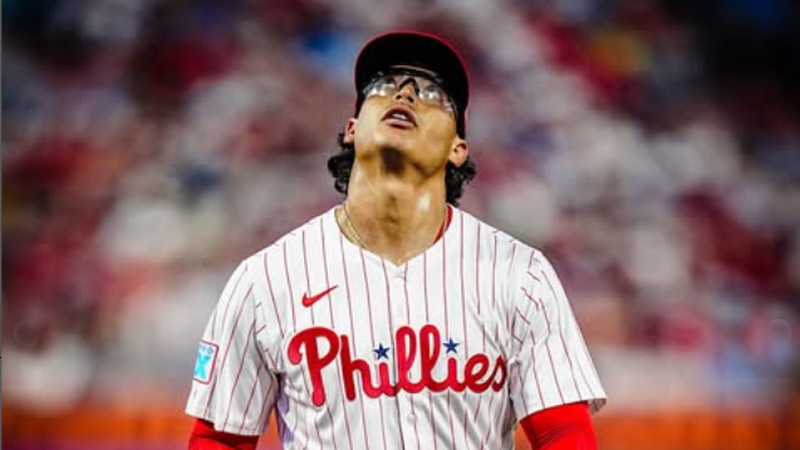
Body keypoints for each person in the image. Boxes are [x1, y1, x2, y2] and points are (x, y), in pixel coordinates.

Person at [185, 30, 606, 450]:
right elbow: (219, 439)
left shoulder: (519, 275)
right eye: (383, 85)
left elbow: (562, 435)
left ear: (458, 148)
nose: (405, 94)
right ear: (352, 128)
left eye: (432, 93)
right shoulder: (267, 279)